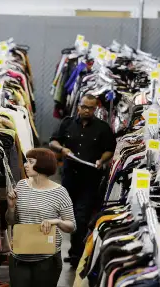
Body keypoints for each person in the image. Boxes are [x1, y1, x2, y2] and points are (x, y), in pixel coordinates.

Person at [3, 148, 76, 287]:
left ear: (42, 165)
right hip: (20, 257)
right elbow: (10, 221)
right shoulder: (21, 186)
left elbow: (71, 225)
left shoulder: (59, 192)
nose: (25, 165)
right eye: (26, 161)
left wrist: (54, 221)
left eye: (30, 162)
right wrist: (12, 206)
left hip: (46, 259)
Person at [49, 94, 116, 269]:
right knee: (65, 214)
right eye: (84, 106)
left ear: (95, 109)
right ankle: (62, 251)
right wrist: (62, 149)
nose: (87, 110)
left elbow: (110, 149)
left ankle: (76, 254)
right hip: (70, 176)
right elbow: (53, 142)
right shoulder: (67, 123)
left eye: (91, 108)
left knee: (81, 216)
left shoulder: (102, 128)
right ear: (79, 106)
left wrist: (102, 160)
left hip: (90, 179)